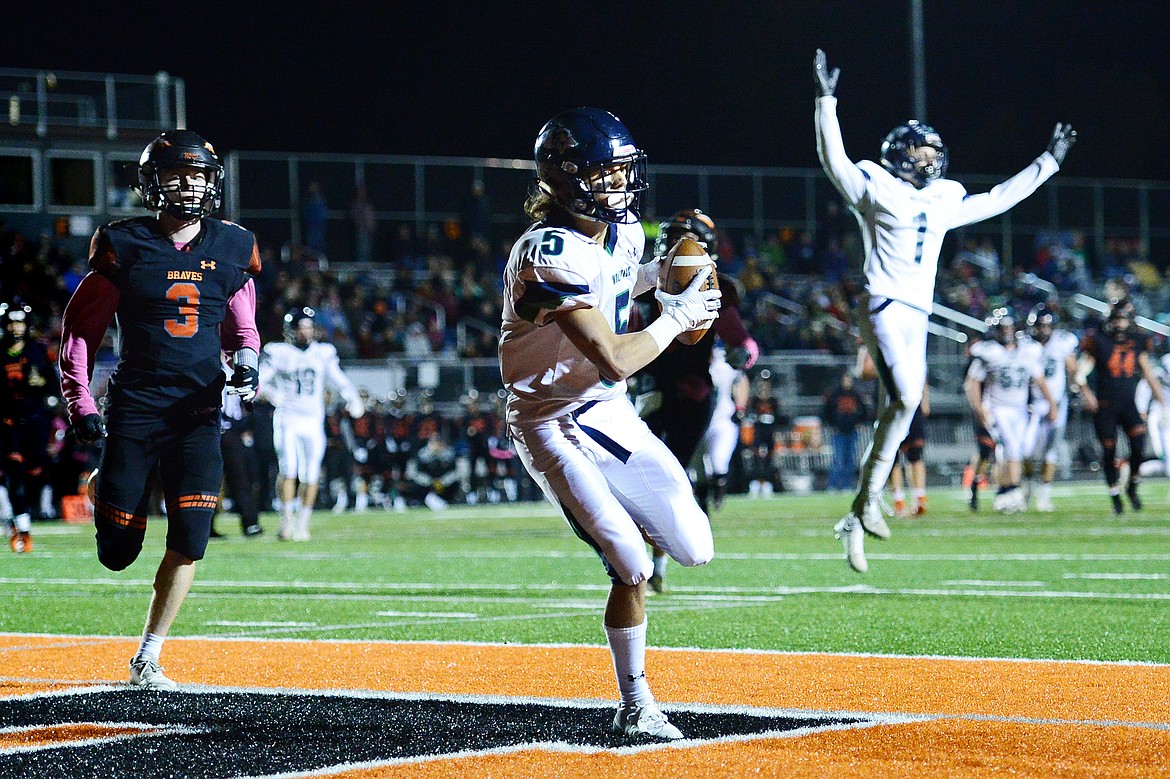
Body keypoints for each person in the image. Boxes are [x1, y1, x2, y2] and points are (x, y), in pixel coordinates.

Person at [499, 107, 720, 741]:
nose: (621, 184)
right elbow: (615, 356)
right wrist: (674, 318)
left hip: (604, 409)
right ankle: (637, 702)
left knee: (696, 547)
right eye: (606, 172)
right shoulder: (546, 253)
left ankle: (631, 537)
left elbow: (629, 277)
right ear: (565, 178)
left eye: (625, 170)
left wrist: (675, 273)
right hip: (547, 416)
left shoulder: (619, 236)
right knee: (629, 559)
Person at [814, 48, 1075, 572]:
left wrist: (1047, 163)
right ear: (900, 157)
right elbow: (835, 163)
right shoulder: (876, 184)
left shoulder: (943, 197)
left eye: (932, 152)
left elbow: (999, 198)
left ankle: (861, 508)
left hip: (917, 311)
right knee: (907, 397)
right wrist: (826, 103)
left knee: (903, 407)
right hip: (883, 302)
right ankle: (864, 505)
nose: (930, 161)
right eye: (920, 153)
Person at [58, 130, 261, 690]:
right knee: (118, 552)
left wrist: (246, 361)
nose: (189, 185)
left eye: (197, 174)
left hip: (197, 412)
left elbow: (242, 322)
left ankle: (148, 654)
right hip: (138, 408)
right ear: (152, 184)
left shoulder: (232, 244)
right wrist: (79, 399)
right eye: (177, 175)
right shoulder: (123, 245)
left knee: (191, 537)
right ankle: (107, 485)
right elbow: (81, 334)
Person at [633, 209, 758, 592]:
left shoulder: (716, 289)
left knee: (670, 476)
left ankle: (658, 560)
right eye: (669, 240)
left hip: (691, 394)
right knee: (640, 480)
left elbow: (744, 344)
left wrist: (743, 355)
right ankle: (644, 555)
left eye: (681, 241)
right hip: (649, 393)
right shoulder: (640, 287)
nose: (673, 249)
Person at [259, 306, 365, 540]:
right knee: (288, 469)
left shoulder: (322, 352)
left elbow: (338, 379)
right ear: (290, 331)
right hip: (287, 418)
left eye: (308, 328)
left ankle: (303, 523)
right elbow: (257, 382)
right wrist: (273, 394)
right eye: (301, 328)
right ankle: (286, 521)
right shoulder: (280, 352)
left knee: (312, 474)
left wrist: (353, 397)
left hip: (313, 420)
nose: (305, 333)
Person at [1075, 299, 1164, 514]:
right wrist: (1087, 394)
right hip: (1105, 405)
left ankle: (1132, 485)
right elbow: (1080, 374)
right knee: (1109, 450)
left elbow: (1147, 372)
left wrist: (1162, 401)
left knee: (1139, 448)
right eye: (1116, 319)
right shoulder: (1098, 341)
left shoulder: (1138, 340)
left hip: (1128, 403)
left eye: (1122, 319)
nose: (1119, 324)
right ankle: (1115, 494)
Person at [965, 310, 1057, 514]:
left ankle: (1003, 490)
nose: (1006, 332)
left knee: (1021, 450)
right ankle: (1012, 491)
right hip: (997, 408)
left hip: (1021, 409)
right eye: (1002, 328)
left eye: (1009, 327)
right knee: (1009, 449)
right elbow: (972, 383)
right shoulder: (988, 351)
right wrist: (980, 409)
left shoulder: (1027, 351)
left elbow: (1040, 379)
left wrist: (1052, 404)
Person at [1, 303, 59, 552]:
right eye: (11, 322)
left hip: (35, 421)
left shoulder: (38, 351)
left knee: (35, 472)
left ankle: (25, 516)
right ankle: (22, 528)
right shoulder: (1, 352)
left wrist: (41, 386)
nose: (16, 327)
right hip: (7, 422)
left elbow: (53, 387)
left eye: (19, 322)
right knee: (13, 471)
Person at [1020, 303, 1079, 511]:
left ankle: (1044, 494)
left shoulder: (1063, 342)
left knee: (1050, 451)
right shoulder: (1024, 344)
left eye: (1046, 326)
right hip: (1031, 404)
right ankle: (1027, 485)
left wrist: (1075, 383)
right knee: (1025, 451)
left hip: (1057, 401)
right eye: (1039, 326)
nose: (1042, 330)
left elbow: (1072, 367)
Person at [822, 369, 869, 492]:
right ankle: (833, 485)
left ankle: (847, 485)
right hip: (839, 431)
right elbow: (826, 411)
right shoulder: (835, 394)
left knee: (850, 460)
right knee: (838, 459)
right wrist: (832, 425)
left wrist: (859, 422)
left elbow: (864, 410)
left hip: (852, 431)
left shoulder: (856, 394)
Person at [889, 384, 929, 517]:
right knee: (892, 459)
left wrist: (925, 400)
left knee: (915, 455)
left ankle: (919, 498)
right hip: (892, 405)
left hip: (912, 404)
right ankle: (899, 501)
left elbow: (922, 378)